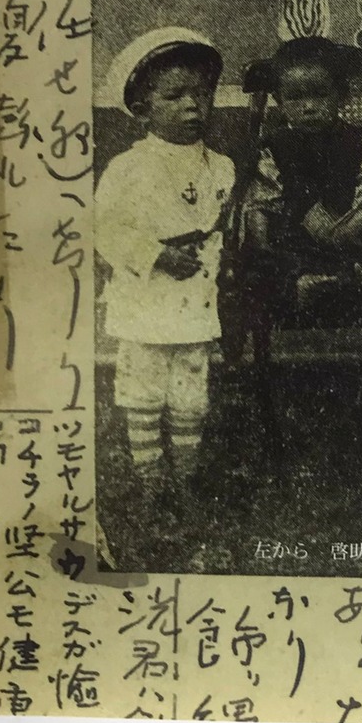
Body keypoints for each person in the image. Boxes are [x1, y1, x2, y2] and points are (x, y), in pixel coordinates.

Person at [95, 27, 235, 499]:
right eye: (174, 97)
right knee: (144, 386)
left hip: (195, 294)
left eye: (202, 94)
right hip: (147, 294)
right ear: (143, 110)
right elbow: (105, 228)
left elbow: (223, 223)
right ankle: (151, 476)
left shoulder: (221, 167)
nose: (193, 106)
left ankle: (187, 473)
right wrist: (156, 254)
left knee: (190, 387)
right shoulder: (128, 169)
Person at [241, 37, 362, 319]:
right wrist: (262, 242)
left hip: (355, 233)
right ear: (279, 100)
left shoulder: (361, 142)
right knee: (264, 265)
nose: (308, 107)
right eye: (295, 98)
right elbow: (262, 199)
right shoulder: (274, 147)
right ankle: (306, 283)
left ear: (341, 95)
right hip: (299, 240)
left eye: (320, 95)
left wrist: (348, 229)